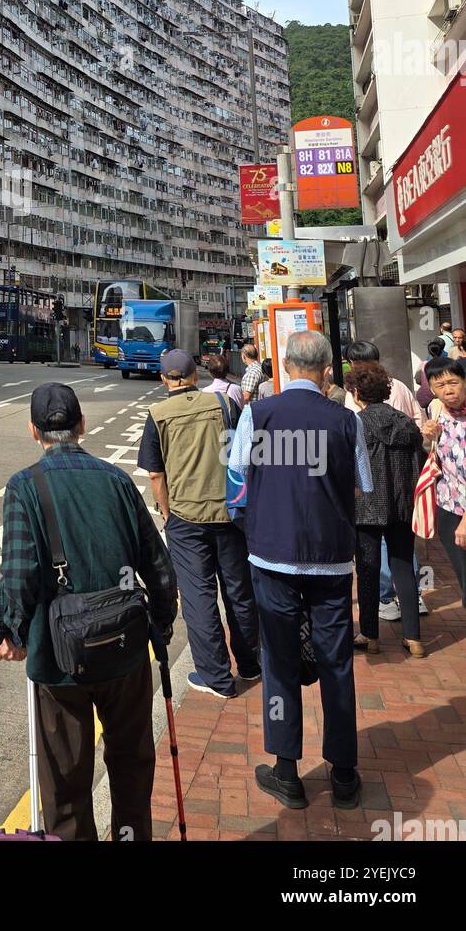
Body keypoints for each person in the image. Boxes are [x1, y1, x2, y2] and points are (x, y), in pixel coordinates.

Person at [0, 382, 178, 841]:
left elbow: (19, 573)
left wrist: (11, 633)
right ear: (82, 426)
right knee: (132, 764)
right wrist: (161, 622)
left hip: (60, 659)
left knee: (66, 780)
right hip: (125, 647)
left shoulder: (24, 487)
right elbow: (157, 562)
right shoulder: (116, 480)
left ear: (33, 431)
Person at [227, 330, 372, 812]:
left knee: (280, 661)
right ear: (328, 369)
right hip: (332, 559)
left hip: (271, 555)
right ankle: (345, 773)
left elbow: (237, 479)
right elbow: (363, 487)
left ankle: (287, 770)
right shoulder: (347, 420)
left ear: (285, 367)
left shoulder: (259, 413)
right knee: (336, 662)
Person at [141, 350, 258, 699]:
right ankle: (252, 663)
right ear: (195, 376)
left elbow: (155, 473)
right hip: (230, 515)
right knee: (239, 590)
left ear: (164, 380)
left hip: (186, 518)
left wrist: (166, 512)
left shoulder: (157, 414)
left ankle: (217, 678)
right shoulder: (224, 404)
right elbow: (244, 454)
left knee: (198, 597)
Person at [344, 363, 425, 658]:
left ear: (356, 392)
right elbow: (419, 464)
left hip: (365, 505)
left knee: (366, 568)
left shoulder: (355, 424)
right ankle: (414, 637)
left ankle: (370, 634)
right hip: (403, 504)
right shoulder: (405, 423)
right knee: (403, 566)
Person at [421, 357, 466, 609]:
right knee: (462, 575)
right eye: (439, 385)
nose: (448, 390)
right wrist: (429, 439)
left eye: (453, 382)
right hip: (449, 506)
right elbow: (436, 454)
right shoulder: (436, 409)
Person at [343, 341, 423, 428]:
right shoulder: (398, 385)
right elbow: (419, 418)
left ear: (353, 364)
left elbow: (355, 426)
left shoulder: (354, 391)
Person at [201, 352, 244, 418]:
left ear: (210, 373)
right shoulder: (237, 389)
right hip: (233, 427)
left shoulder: (205, 392)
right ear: (227, 371)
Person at [417, 338, 448, 410]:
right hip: (443, 395)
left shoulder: (423, 364)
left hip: (427, 396)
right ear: (441, 351)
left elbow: (418, 379)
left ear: (429, 352)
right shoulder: (446, 363)